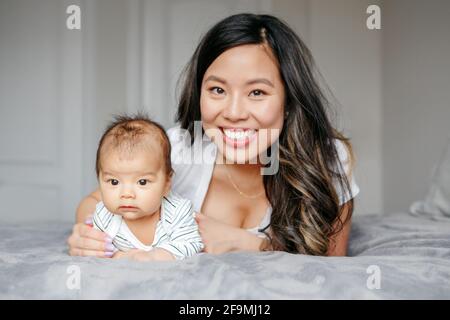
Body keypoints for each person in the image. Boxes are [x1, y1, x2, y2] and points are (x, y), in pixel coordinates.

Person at [67, 13, 359, 258]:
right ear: (199, 93)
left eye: (257, 92)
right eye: (217, 90)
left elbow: (332, 267)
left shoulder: (328, 159)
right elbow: (95, 202)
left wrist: (253, 244)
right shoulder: (179, 149)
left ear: (289, 101)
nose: (233, 112)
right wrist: (89, 234)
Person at [77, 114, 203, 261]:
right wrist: (118, 256)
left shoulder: (177, 212)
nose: (127, 194)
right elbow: (97, 252)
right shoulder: (104, 217)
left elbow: (192, 245)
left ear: (166, 184)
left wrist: (156, 256)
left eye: (142, 182)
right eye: (114, 182)